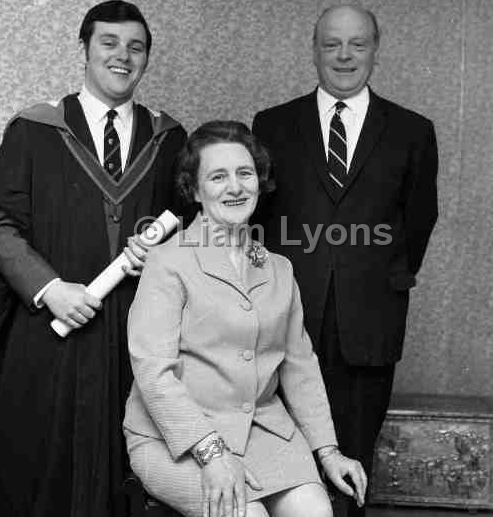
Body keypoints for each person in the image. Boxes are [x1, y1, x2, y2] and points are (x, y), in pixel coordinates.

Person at [0, 0, 187, 517]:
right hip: (48, 330)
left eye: (136, 47)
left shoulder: (169, 138)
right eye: (109, 42)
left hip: (136, 329)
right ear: (84, 48)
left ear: (147, 59)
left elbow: (191, 222)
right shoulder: (35, 130)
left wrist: (163, 248)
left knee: (127, 459)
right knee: (40, 460)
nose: (122, 56)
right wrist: (49, 289)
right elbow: (2, 224)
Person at [123, 120, 367, 517]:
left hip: (263, 432)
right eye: (217, 177)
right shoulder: (169, 260)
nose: (234, 187)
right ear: (195, 190)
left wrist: (329, 451)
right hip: (178, 439)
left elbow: (300, 368)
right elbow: (154, 372)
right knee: (246, 514)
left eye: (244, 173)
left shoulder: (279, 269)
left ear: (259, 181)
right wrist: (212, 453)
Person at [251, 4, 438, 516]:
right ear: (314, 50)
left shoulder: (412, 131)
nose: (344, 55)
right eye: (331, 43)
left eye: (357, 43)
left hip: (371, 319)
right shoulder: (271, 125)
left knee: (353, 456)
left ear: (376, 49)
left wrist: (380, 276)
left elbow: (419, 220)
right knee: (281, 452)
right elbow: (258, 218)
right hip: (286, 317)